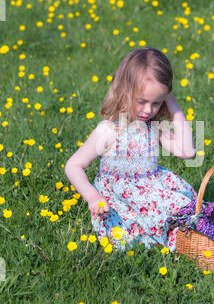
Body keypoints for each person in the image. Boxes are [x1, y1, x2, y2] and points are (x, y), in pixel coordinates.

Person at [64, 47, 197, 252]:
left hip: (151, 191)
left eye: (156, 103)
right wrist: (92, 196)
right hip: (120, 203)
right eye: (141, 101)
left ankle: (176, 235)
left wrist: (176, 110)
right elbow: (73, 165)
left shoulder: (154, 126)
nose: (148, 110)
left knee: (188, 211)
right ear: (124, 92)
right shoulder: (109, 130)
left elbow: (187, 152)